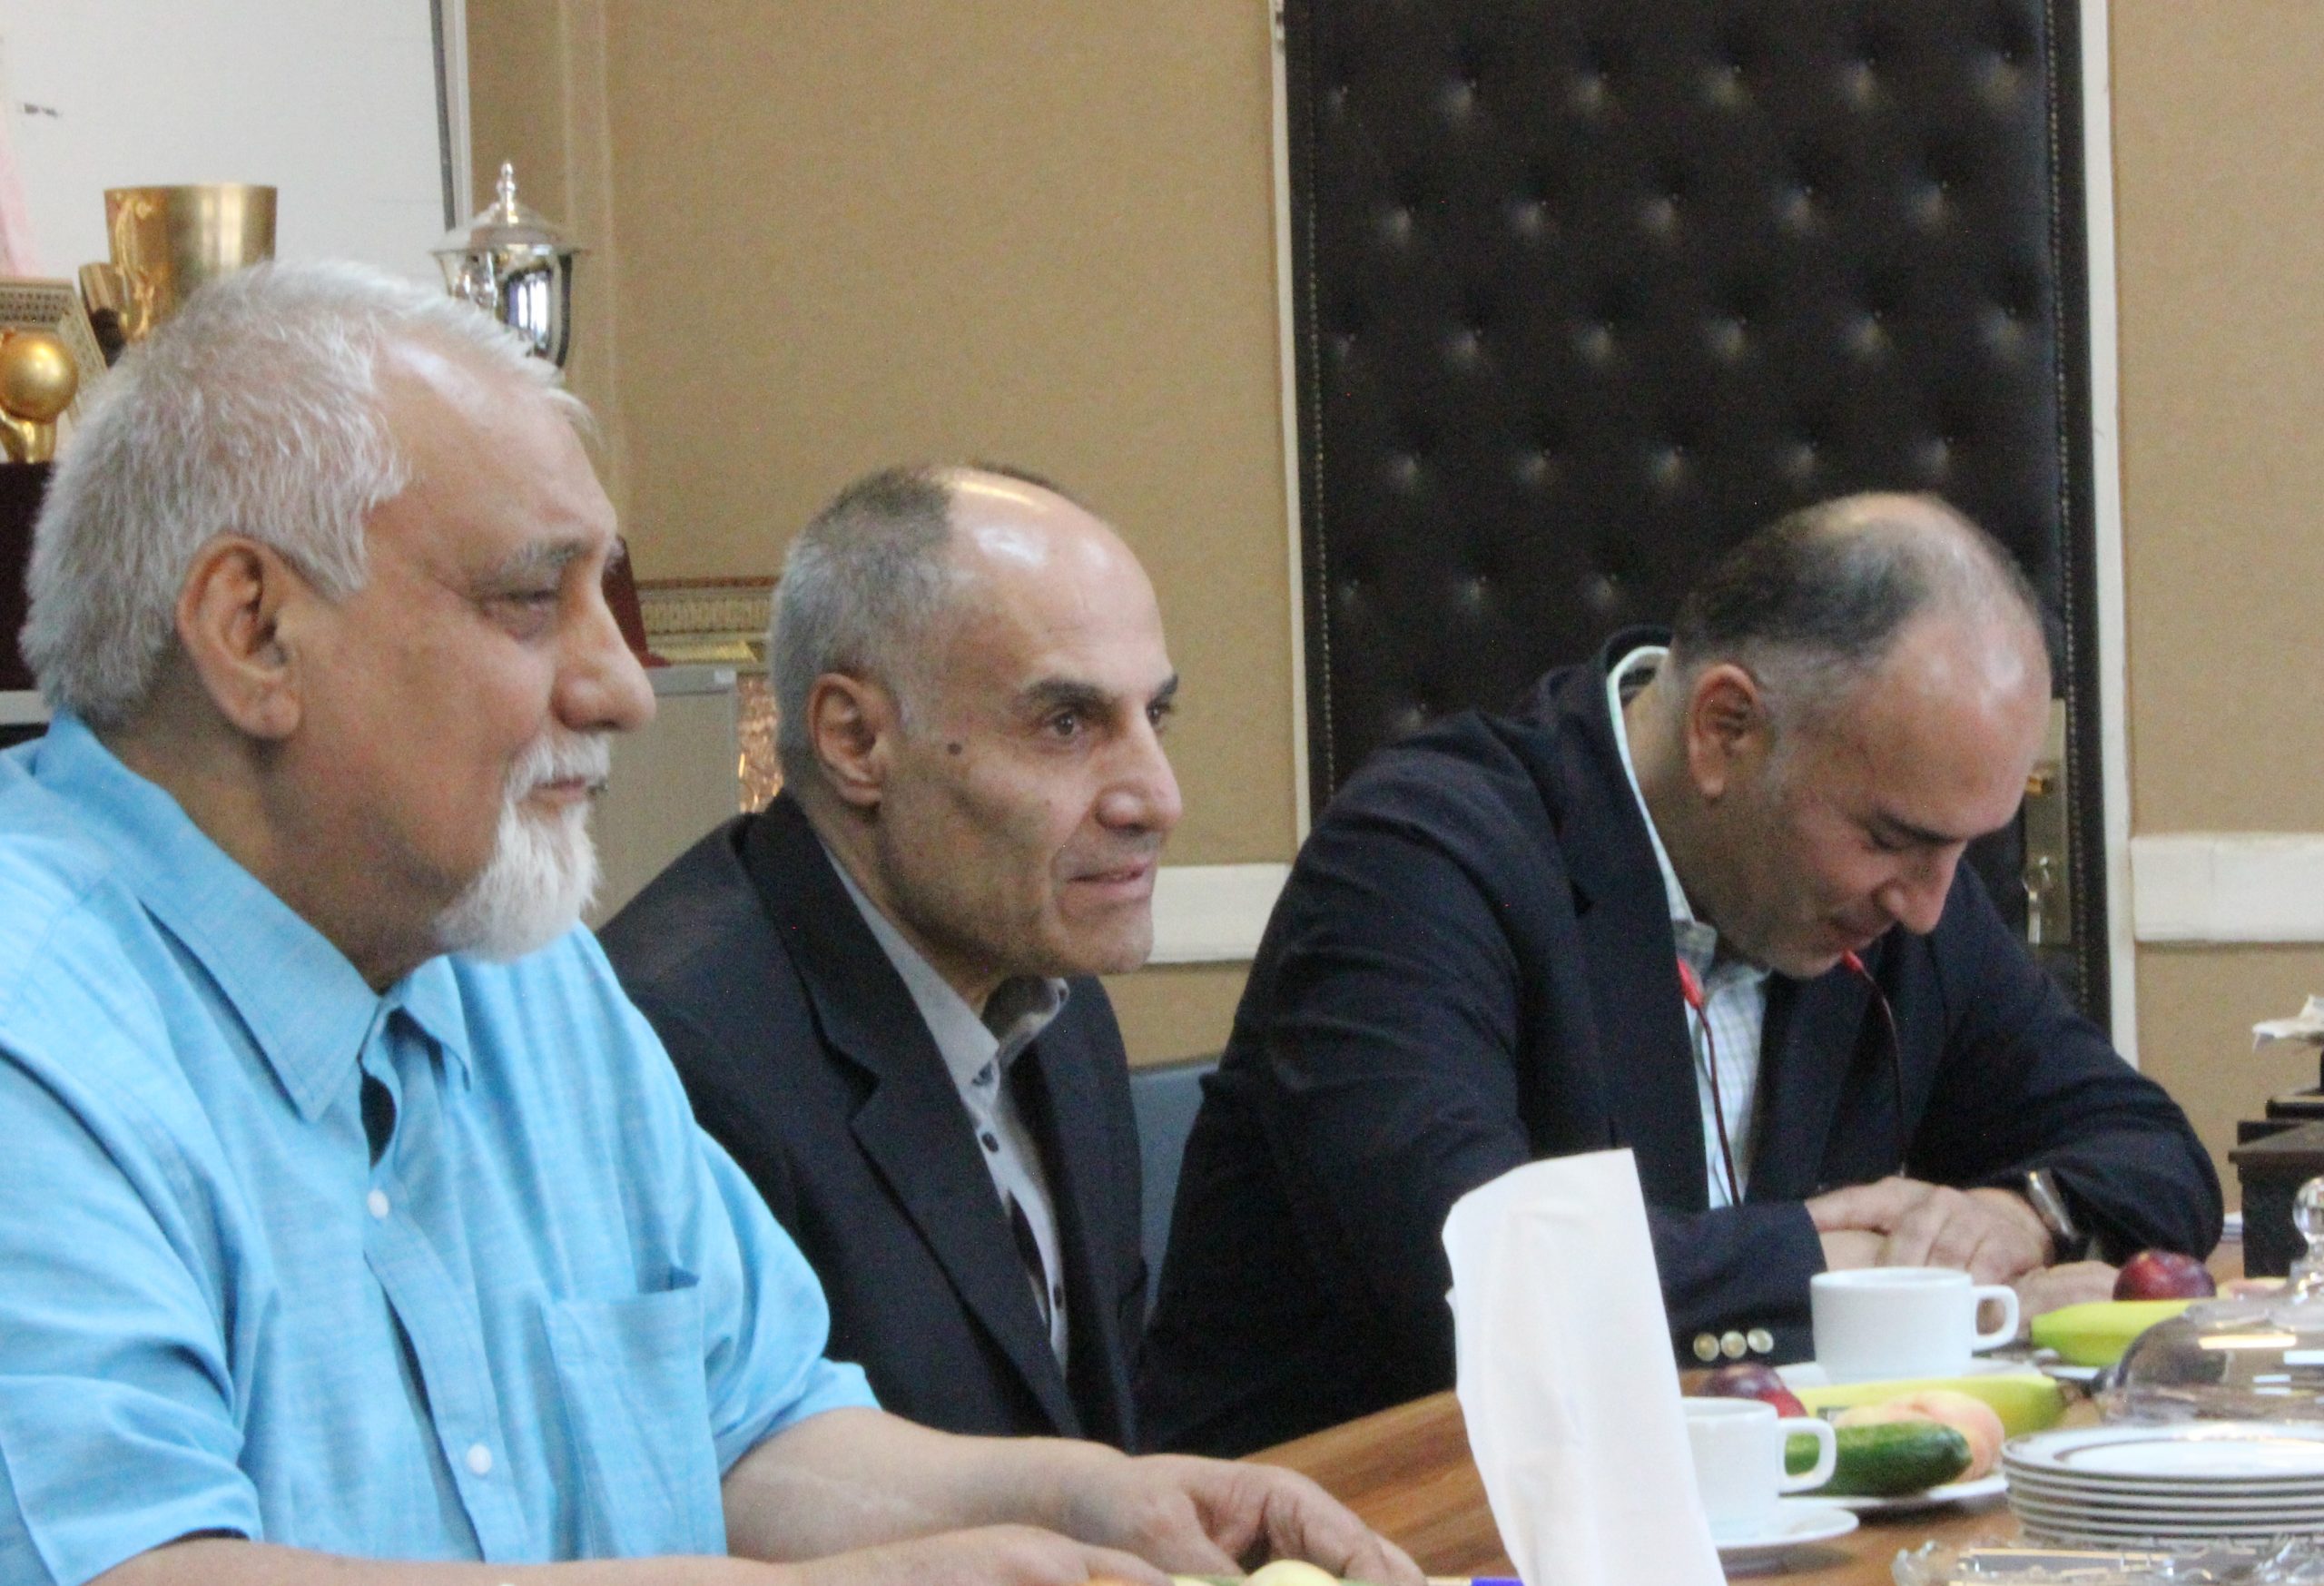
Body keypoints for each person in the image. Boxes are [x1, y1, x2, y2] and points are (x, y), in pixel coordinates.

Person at [0, 261, 1420, 1586]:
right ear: (252, 628)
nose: (622, 687)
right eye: (529, 601)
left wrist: (1088, 1498)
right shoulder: (34, 1028)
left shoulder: (524, 973)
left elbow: (757, 1431)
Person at [1137, 493, 2221, 1456]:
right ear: (1724, 729)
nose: (1929, 907)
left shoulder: (1899, 880)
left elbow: (2150, 1152)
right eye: (1892, 839)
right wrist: (1849, 1265)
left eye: (1961, 849)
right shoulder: (1422, 856)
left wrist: (2020, 1214)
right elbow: (1475, 1277)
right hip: (1371, 1523)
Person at [604, 464, 1177, 1450]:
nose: (1156, 798)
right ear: (857, 740)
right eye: (1067, 724)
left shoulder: (1056, 997)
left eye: (1153, 717)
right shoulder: (674, 1061)